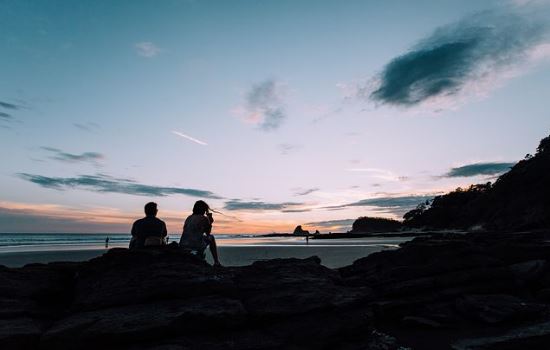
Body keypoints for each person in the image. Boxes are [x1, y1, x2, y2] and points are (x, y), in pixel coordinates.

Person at [179, 200, 221, 266]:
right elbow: (208, 233)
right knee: (211, 238)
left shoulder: (189, 218)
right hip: (195, 244)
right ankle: (216, 262)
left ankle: (198, 255)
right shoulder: (203, 218)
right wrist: (210, 222)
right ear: (203, 209)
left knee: (199, 238)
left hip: (183, 244)